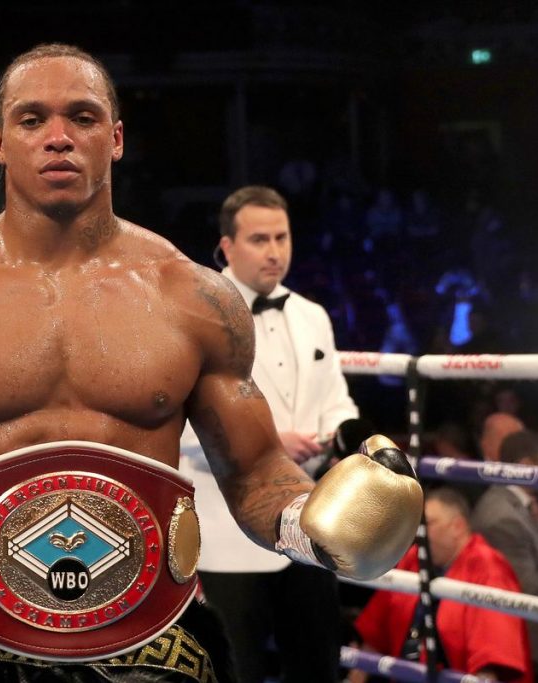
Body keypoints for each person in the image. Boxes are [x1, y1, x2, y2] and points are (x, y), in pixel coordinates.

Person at [0, 43, 423, 683]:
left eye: (82, 116)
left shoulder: (194, 298)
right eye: (32, 119)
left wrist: (314, 526)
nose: (59, 138)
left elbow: (254, 472)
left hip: (150, 645)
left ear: (116, 138)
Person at [179, 185, 360, 683]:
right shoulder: (195, 314)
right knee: (237, 672)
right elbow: (179, 421)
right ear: (227, 247)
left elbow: (336, 400)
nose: (274, 251)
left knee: (318, 667)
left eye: (282, 237)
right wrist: (270, 442)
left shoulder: (312, 316)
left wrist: (347, 435)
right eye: (259, 239)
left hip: (309, 525)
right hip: (225, 534)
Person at [348, 487, 532, 682]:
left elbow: (491, 665)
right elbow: (375, 631)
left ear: (457, 527)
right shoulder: (415, 558)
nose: (419, 533)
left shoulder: (489, 568)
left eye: (427, 524)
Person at [471, 430, 538, 682]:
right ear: (526, 466)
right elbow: (528, 589)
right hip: (533, 646)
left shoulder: (524, 504)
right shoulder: (502, 517)